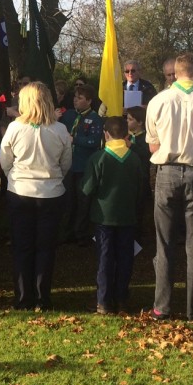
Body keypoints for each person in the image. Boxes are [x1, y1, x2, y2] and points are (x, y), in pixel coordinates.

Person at [144, 52, 193, 322]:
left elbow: (152, 145)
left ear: (175, 72)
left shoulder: (158, 101)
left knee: (164, 242)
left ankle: (161, 307)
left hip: (166, 173)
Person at [0, 82, 72, 310]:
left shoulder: (14, 128)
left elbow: (5, 160)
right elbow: (66, 163)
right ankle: (42, 298)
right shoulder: (59, 130)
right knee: (45, 247)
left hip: (20, 191)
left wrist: (14, 176)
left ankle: (23, 298)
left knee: (22, 246)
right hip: (50, 193)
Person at [82, 116, 144, 314]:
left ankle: (103, 301)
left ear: (106, 134)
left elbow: (87, 188)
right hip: (128, 216)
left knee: (105, 258)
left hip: (103, 218)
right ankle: (122, 298)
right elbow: (142, 188)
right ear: (126, 134)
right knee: (126, 258)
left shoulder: (98, 158)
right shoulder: (135, 158)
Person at [60, 83, 103, 245]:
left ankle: (81, 232)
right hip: (68, 165)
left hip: (84, 166)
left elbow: (94, 140)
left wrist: (75, 139)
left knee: (83, 200)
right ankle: (67, 231)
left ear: (89, 101)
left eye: (80, 98)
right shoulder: (69, 115)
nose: (75, 100)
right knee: (68, 199)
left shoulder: (94, 119)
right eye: (75, 97)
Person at [125, 106, 152, 239]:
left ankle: (138, 235)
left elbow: (147, 153)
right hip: (127, 178)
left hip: (141, 177)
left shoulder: (146, 137)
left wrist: (132, 146)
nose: (127, 122)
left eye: (130, 119)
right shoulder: (126, 136)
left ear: (140, 122)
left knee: (139, 208)